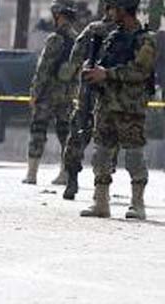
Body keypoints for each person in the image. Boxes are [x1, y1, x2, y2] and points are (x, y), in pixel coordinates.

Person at [80, 0, 156, 219]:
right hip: (106, 105)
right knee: (101, 153)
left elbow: (139, 72)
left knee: (133, 155)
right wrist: (91, 70)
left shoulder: (146, 40)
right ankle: (101, 202)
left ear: (124, 9)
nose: (109, 12)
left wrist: (108, 74)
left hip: (129, 108)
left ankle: (137, 204)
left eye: (112, 7)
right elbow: (103, 64)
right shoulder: (112, 37)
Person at [58, 10, 116, 200]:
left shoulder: (93, 29)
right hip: (111, 96)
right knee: (108, 142)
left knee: (77, 137)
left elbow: (75, 58)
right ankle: (101, 188)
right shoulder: (123, 32)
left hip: (88, 92)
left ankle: (72, 180)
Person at [23, 0, 78, 185]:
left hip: (48, 95)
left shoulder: (55, 39)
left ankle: (32, 174)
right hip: (68, 95)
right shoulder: (78, 39)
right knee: (65, 134)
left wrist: (35, 93)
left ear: (58, 14)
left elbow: (43, 69)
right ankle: (65, 173)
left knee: (38, 131)